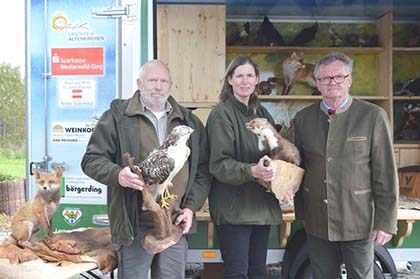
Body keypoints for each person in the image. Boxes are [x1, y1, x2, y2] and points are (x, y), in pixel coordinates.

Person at [81, 60, 212, 279]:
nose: (158, 86)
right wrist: (118, 175)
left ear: (170, 85)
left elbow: (203, 171)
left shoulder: (189, 123)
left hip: (174, 224)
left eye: (163, 81)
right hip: (135, 224)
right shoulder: (117, 117)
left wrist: (190, 208)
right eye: (152, 80)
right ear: (139, 83)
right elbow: (91, 160)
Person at [289, 52, 399, 279]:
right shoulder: (303, 118)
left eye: (339, 77)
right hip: (317, 220)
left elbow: (385, 173)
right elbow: (294, 164)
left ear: (349, 80)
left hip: (358, 220)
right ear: (317, 83)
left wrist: (386, 222)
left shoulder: (372, 116)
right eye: (326, 78)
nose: (333, 83)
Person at [206, 55, 286, 279]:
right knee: (237, 274)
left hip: (262, 208)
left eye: (250, 75)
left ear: (257, 79)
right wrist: (252, 171)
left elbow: (276, 151)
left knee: (257, 273)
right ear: (229, 80)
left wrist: (283, 179)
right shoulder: (222, 114)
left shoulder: (262, 113)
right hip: (234, 210)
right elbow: (219, 165)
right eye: (239, 76)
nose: (245, 81)